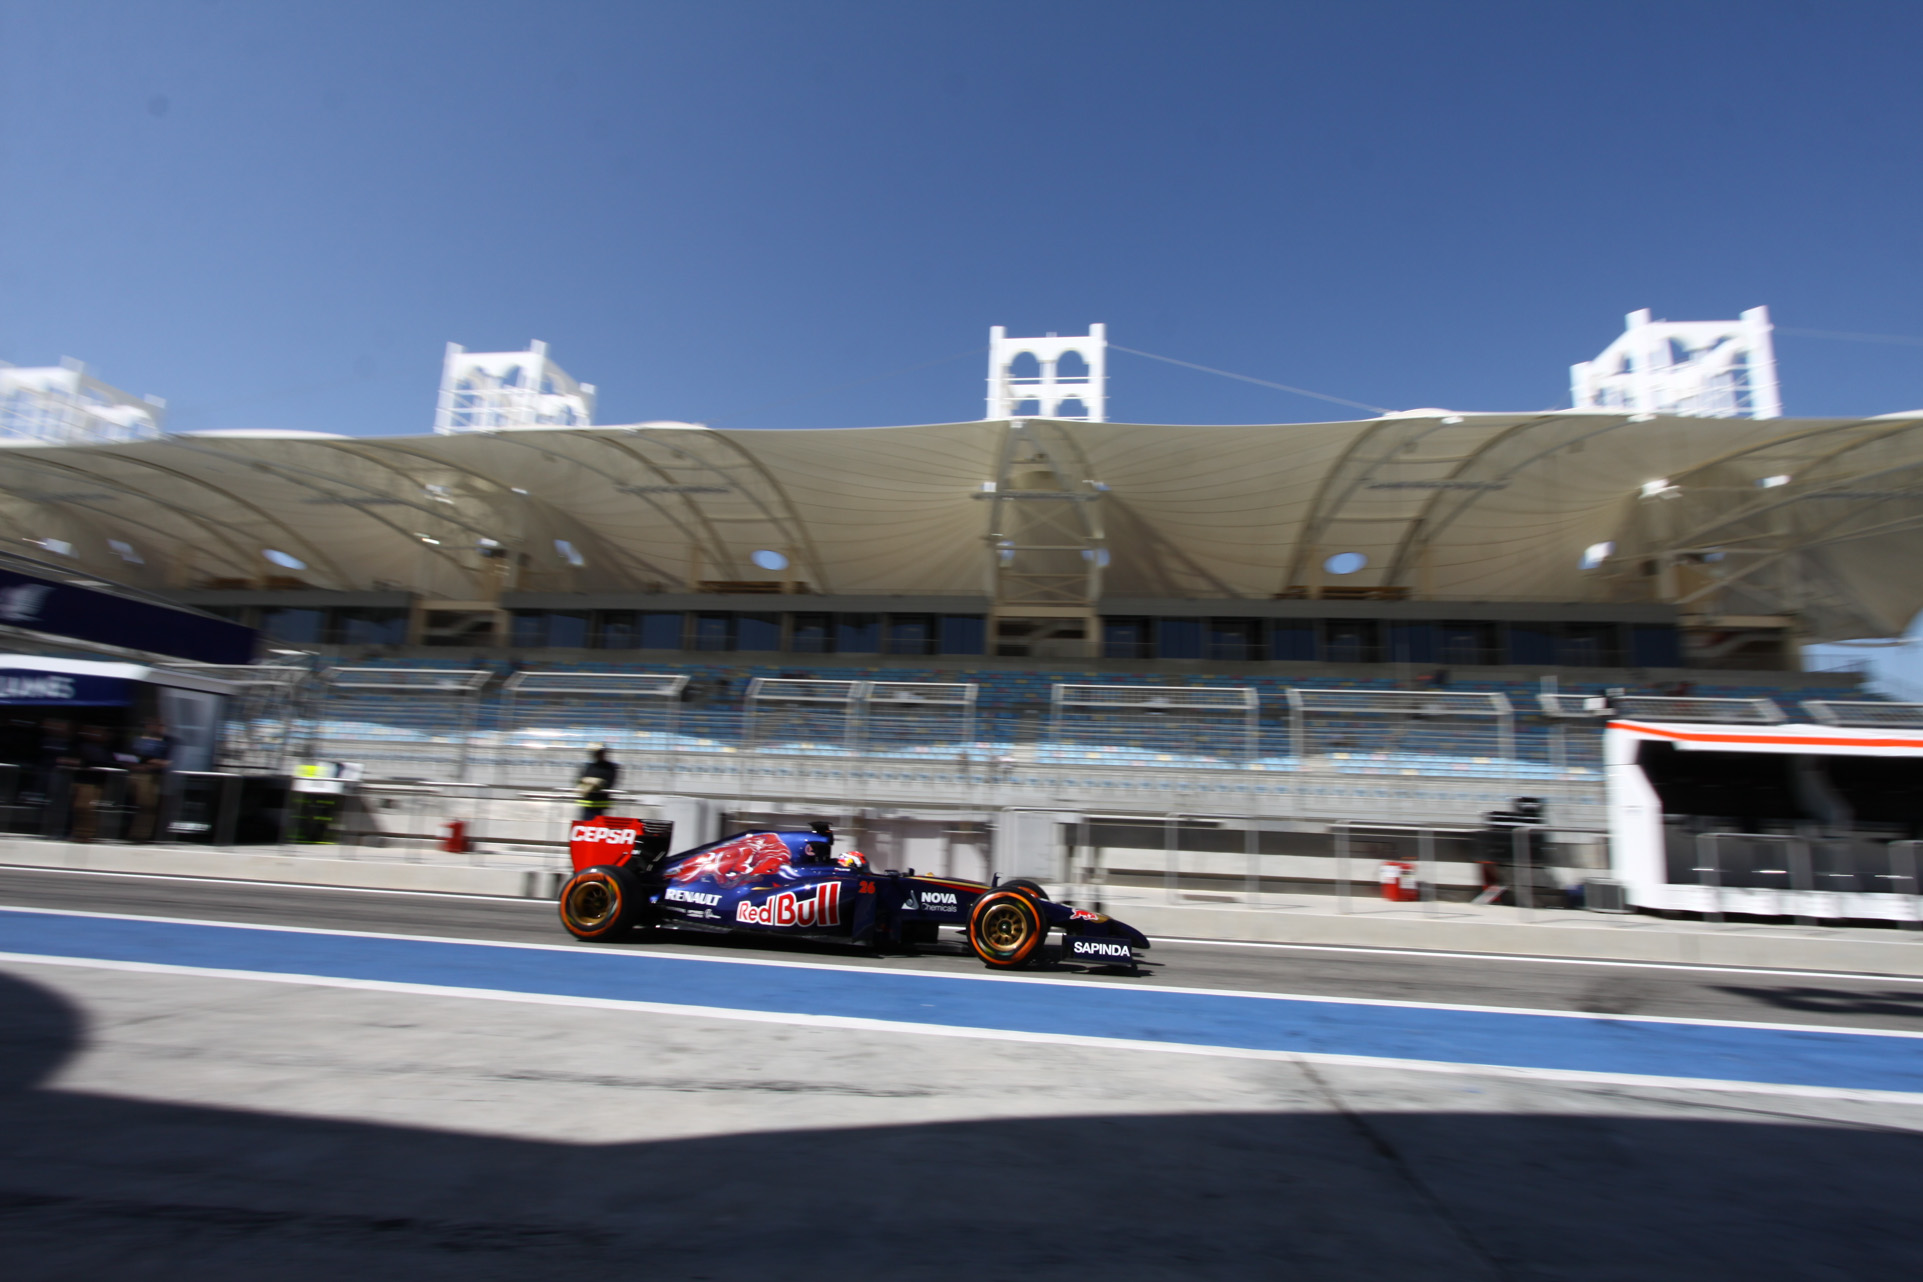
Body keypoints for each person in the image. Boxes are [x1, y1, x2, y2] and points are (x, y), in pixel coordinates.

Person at [126, 719, 174, 843]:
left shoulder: (169, 741)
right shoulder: (137, 739)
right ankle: (129, 832)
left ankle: (141, 835)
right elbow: (130, 757)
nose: (159, 728)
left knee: (147, 806)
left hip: (153, 777)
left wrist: (152, 764)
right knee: (134, 805)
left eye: (161, 725)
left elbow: (169, 762)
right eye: (155, 725)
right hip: (133, 775)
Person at [574, 744, 619, 821]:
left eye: (599, 752)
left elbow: (608, 783)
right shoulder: (589, 766)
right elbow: (581, 780)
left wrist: (595, 782)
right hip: (587, 804)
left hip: (600, 804)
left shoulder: (610, 767)